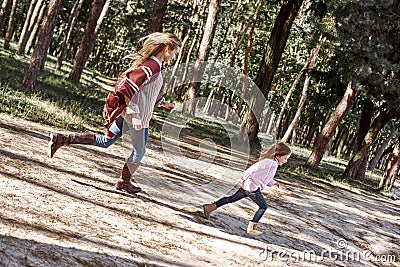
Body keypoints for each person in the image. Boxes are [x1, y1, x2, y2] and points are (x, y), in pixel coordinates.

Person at [48, 32, 181, 194]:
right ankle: (124, 182)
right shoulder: (152, 66)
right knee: (139, 152)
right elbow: (128, 85)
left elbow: (145, 91)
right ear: (167, 48)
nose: (174, 56)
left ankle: (62, 139)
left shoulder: (154, 66)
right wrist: (134, 113)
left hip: (129, 115)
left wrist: (163, 103)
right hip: (136, 118)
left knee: (105, 141)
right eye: (175, 52)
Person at [202, 142, 291, 236]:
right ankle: (251, 228)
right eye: (285, 158)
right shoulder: (271, 163)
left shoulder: (270, 162)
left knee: (232, 198)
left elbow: (265, 177)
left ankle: (209, 207)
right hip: (252, 187)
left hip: (248, 185)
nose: (285, 161)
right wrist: (244, 176)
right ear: (278, 155)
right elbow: (254, 168)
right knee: (263, 207)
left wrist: (273, 183)